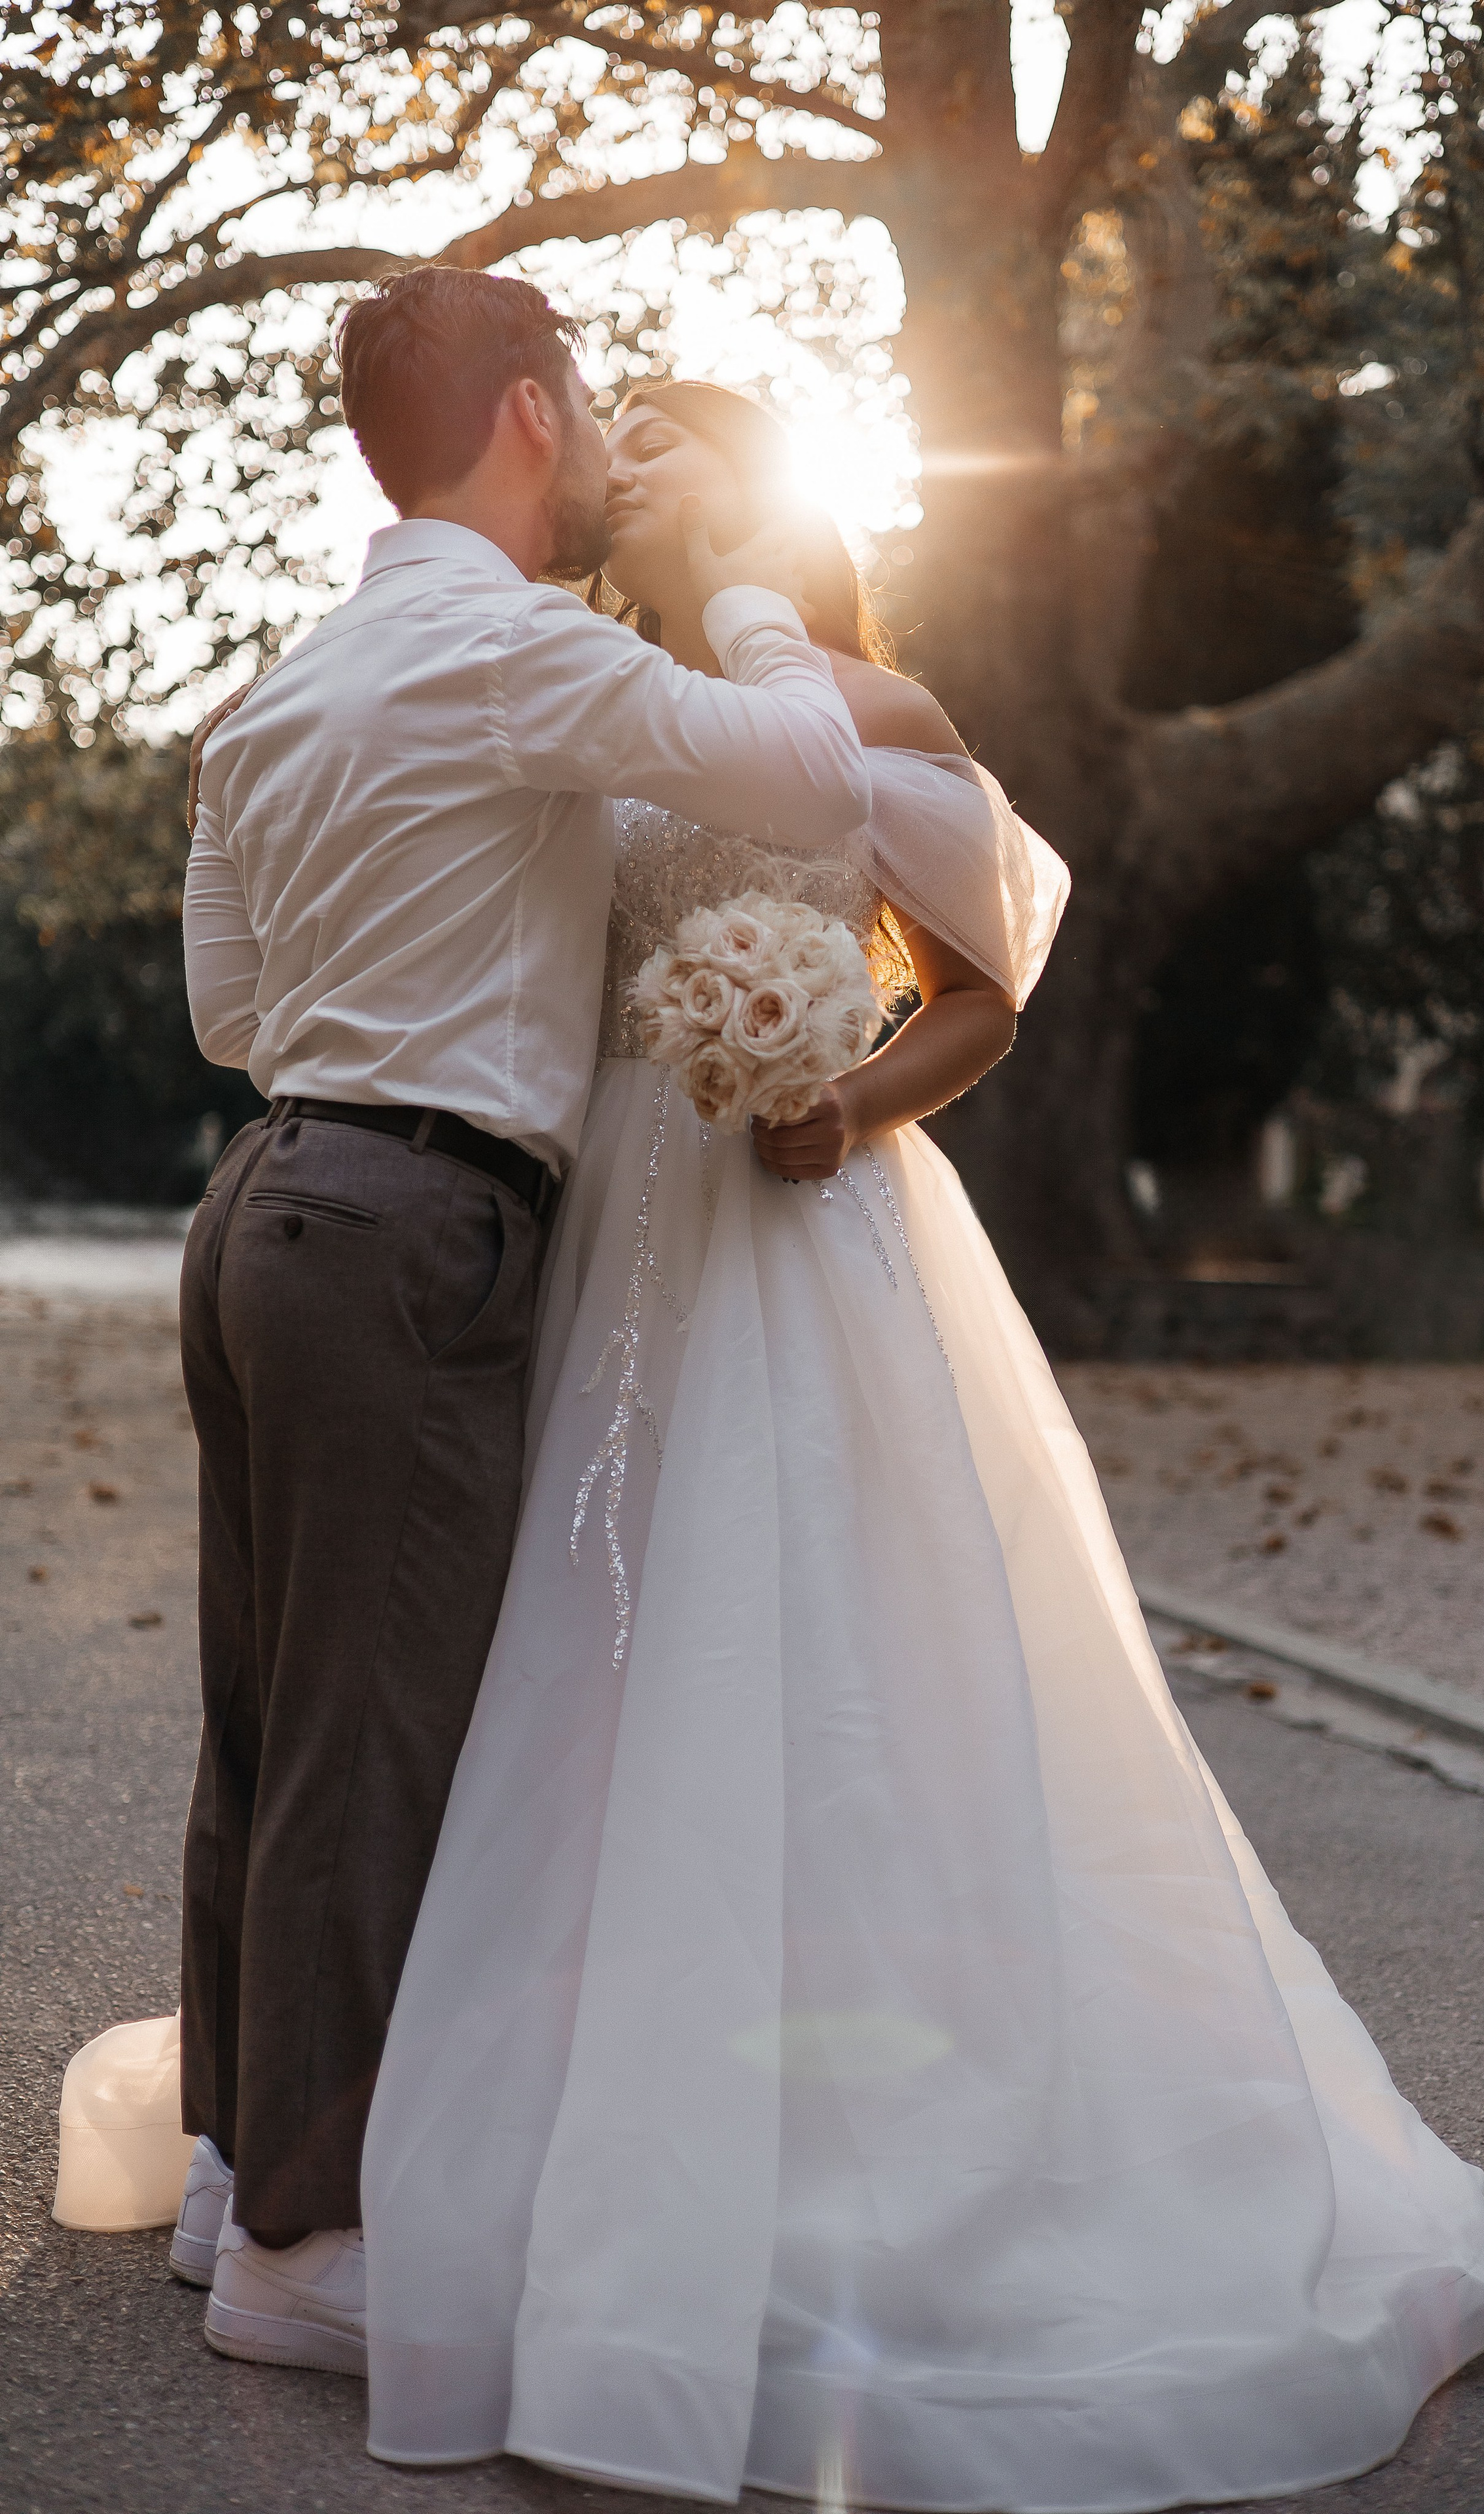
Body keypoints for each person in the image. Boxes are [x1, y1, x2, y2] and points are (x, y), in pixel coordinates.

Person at [359, 383, 1484, 2505]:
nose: (634, 463)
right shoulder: (615, 706)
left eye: (676, 440)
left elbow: (982, 985)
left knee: (841, 1642)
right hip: (624, 1221)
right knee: (585, 1645)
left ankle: (889, 2135)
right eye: (613, 438)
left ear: (764, 490)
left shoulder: (866, 703)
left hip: (822, 1216)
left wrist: (853, 1093)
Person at [172, 273, 874, 2374]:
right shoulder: (509, 648)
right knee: (373, 1733)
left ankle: (229, 2174)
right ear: (528, 416)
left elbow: (230, 1015)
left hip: (266, 1200)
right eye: (579, 397)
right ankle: (309, 2246)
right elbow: (801, 765)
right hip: (405, 1221)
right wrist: (750, 586)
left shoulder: (281, 689)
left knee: (265, 1714)